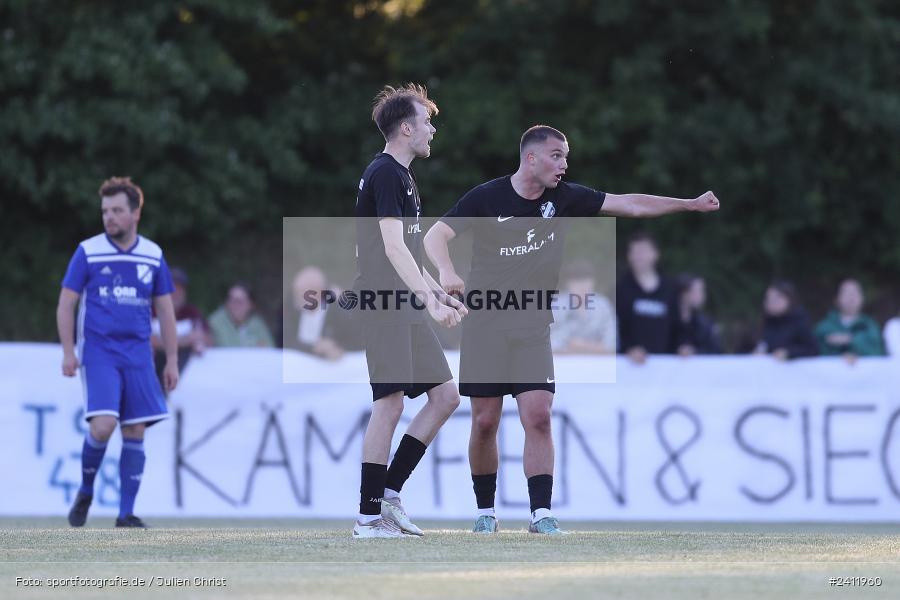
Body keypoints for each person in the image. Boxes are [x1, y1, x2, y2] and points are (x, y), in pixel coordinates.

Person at [424, 125, 719, 534]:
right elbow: (436, 234)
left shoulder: (564, 198)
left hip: (532, 325)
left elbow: (629, 204)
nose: (564, 164)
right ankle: (486, 512)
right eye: (556, 156)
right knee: (485, 422)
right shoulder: (486, 197)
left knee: (539, 415)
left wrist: (687, 203)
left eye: (565, 156)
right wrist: (446, 269)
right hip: (485, 325)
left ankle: (541, 514)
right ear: (531, 158)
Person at [351, 83, 467, 538]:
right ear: (405, 127)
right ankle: (367, 517)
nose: (431, 129)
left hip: (403, 303)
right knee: (390, 405)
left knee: (445, 397)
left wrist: (438, 294)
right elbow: (392, 248)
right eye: (426, 121)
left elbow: (411, 253)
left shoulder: (401, 177)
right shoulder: (384, 173)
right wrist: (428, 304)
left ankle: (389, 494)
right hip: (384, 303)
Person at [56, 176, 179, 528]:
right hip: (100, 352)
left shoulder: (152, 254)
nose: (109, 217)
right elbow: (66, 304)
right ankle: (86, 489)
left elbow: (166, 311)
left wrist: (170, 360)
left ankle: (125, 514)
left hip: (139, 353)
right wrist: (68, 351)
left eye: (117, 210)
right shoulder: (88, 251)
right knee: (103, 425)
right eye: (105, 211)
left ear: (136, 213)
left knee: (135, 429)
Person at [616, 233, 684, 364]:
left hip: (665, 367)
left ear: (655, 254)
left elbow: (679, 326)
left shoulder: (671, 289)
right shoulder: (620, 289)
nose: (638, 256)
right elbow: (615, 328)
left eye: (642, 251)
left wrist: (683, 346)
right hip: (629, 367)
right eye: (633, 251)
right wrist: (629, 349)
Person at [284, 266, 363, 359]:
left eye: (300, 292)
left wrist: (338, 348)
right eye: (296, 292)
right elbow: (287, 342)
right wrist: (314, 348)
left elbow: (358, 342)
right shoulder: (293, 312)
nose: (296, 297)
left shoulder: (340, 314)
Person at [151, 267, 210, 383]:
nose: (176, 293)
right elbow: (147, 340)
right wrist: (184, 340)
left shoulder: (192, 312)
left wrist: (199, 340)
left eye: (180, 289)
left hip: (184, 370)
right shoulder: (150, 310)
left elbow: (207, 338)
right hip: (154, 369)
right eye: (172, 289)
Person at [550, 259, 616, 354]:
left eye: (585, 281)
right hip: (564, 363)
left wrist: (583, 346)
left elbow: (612, 343)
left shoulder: (603, 305)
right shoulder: (556, 305)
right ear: (568, 284)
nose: (582, 286)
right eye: (577, 281)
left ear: (593, 282)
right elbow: (548, 341)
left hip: (598, 363)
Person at [814, 278, 884, 362]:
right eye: (846, 293)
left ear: (862, 299)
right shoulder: (824, 327)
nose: (851, 298)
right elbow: (816, 352)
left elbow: (877, 352)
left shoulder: (870, 326)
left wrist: (850, 340)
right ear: (837, 299)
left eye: (855, 293)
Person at [753, 280, 818, 360]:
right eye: (768, 298)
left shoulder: (799, 321)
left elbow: (812, 349)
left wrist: (789, 353)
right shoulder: (764, 323)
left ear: (789, 299)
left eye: (777, 298)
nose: (771, 302)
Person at [208, 283, 275, 347]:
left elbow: (269, 350)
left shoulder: (257, 324)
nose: (235, 305)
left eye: (239, 302)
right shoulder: (216, 322)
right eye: (231, 300)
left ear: (251, 304)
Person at [676, 273, 722, 355]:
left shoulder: (705, 323)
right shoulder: (668, 321)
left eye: (702, 291)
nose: (702, 295)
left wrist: (695, 352)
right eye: (697, 291)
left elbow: (716, 351)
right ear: (684, 293)